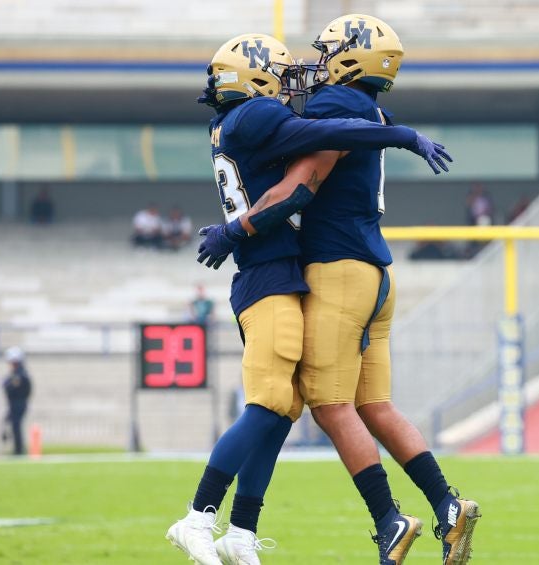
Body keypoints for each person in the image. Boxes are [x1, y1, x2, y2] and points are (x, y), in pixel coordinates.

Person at [167, 32, 451, 565]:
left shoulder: (237, 121)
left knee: (282, 412)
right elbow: (316, 133)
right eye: (275, 72)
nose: (291, 79)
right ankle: (199, 514)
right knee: (272, 405)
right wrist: (401, 134)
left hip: (283, 274)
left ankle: (242, 532)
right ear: (252, 78)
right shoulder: (250, 116)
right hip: (267, 276)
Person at [294, 16, 479, 564]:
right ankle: (447, 505)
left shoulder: (338, 107)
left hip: (337, 268)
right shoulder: (370, 109)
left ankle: (389, 520)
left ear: (352, 58)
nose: (320, 63)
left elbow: (305, 176)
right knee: (373, 403)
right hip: (376, 271)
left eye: (329, 53)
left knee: (330, 406)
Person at [2, 346, 32, 456]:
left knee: (16, 426)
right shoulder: (15, 374)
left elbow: (21, 388)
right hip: (14, 404)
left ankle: (18, 450)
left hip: (18, 403)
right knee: (10, 424)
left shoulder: (21, 374)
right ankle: (17, 447)